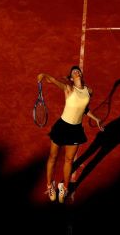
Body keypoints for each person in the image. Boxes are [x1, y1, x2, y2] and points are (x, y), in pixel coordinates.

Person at [37, 66, 104, 203]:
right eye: (73, 72)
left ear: (81, 75)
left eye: (78, 70)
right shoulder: (69, 89)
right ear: (71, 78)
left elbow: (84, 109)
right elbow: (53, 80)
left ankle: (65, 187)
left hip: (76, 130)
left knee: (69, 160)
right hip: (61, 127)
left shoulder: (88, 91)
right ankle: (50, 185)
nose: (76, 71)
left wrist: (96, 118)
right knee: (53, 157)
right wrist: (44, 74)